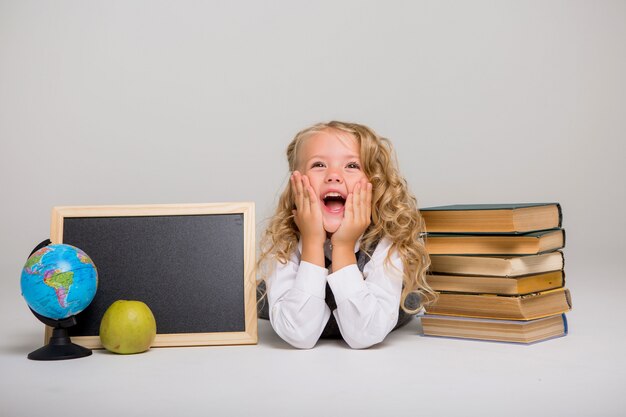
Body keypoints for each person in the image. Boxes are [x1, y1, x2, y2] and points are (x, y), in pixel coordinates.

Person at [257, 121, 434, 349]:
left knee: (409, 295)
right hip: (283, 300)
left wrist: (342, 247)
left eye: (351, 166)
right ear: (296, 184)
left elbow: (365, 335)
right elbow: (299, 334)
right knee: (252, 296)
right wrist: (311, 242)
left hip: (384, 309)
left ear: (374, 183)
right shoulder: (282, 240)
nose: (334, 176)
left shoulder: (388, 241)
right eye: (318, 164)